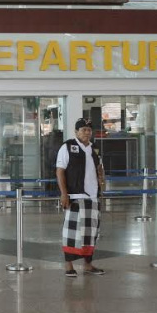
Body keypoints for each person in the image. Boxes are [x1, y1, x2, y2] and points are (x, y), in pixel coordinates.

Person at [56, 118, 106, 277]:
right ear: (76, 132)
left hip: (93, 198)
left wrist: (101, 180)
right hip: (75, 196)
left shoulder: (94, 149)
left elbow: (99, 167)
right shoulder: (68, 147)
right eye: (83, 129)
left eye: (89, 130)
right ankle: (69, 266)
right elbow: (60, 171)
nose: (87, 133)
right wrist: (64, 194)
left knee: (91, 233)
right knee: (71, 232)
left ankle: (88, 265)